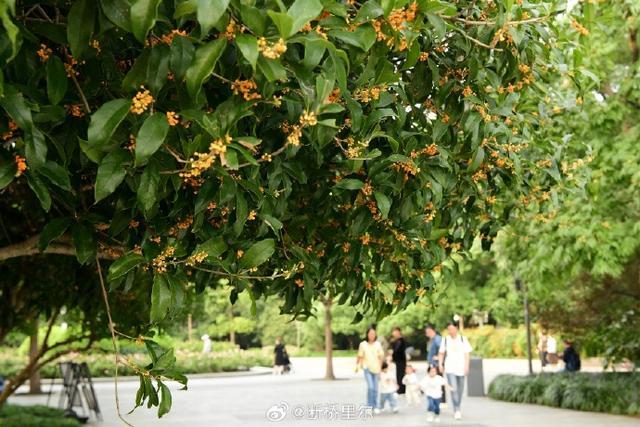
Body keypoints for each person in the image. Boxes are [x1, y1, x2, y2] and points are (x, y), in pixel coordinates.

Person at [438, 321, 472, 420]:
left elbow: (467, 354)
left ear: (456, 328)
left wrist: (467, 366)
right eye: (449, 329)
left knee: (460, 390)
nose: (451, 331)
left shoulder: (462, 339)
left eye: (452, 329)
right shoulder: (445, 340)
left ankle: (457, 406)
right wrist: (440, 364)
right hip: (450, 368)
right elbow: (441, 353)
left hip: (461, 368)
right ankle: (457, 409)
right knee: (454, 389)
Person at [356, 326, 384, 413]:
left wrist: (380, 369)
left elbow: (381, 357)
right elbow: (360, 356)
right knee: (371, 387)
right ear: (367, 334)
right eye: (370, 333)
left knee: (375, 389)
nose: (372, 335)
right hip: (367, 368)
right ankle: (369, 406)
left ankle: (375, 406)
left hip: (376, 369)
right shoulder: (363, 344)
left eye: (373, 334)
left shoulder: (378, 344)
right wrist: (357, 366)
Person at [425, 324, 446, 405]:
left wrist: (438, 357)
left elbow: (442, 349)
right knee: (433, 382)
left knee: (439, 381)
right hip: (432, 364)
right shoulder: (431, 339)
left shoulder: (437, 339)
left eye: (427, 332)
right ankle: (436, 400)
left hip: (436, 364)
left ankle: (442, 401)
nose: (426, 333)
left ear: (431, 331)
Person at [391, 326, 407, 394]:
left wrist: (392, 355)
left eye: (394, 332)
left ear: (398, 332)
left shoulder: (400, 340)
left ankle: (401, 389)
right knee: (399, 374)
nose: (393, 333)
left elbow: (396, 351)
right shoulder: (398, 340)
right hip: (399, 361)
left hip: (401, 360)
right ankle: (401, 388)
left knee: (400, 375)